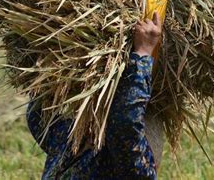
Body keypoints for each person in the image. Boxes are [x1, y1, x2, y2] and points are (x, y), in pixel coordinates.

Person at [26, 12, 164, 179]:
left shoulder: (71, 144)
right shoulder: (134, 171)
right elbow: (125, 123)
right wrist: (143, 54)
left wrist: (45, 58)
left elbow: (39, 116)